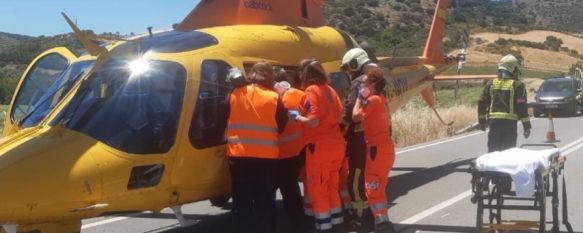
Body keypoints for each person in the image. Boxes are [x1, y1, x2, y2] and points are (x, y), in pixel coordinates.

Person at [225, 61, 288, 233]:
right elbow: (282, 125)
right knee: (265, 202)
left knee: (241, 201)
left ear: (251, 74)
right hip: (266, 159)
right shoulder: (274, 98)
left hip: (238, 156)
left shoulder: (234, 93)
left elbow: (223, 115)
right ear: (271, 77)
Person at [290, 58, 346, 233]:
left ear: (305, 74)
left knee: (318, 190)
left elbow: (312, 121)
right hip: (336, 145)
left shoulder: (311, 91)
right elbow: (340, 116)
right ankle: (337, 224)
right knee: (331, 188)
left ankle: (324, 227)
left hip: (320, 148)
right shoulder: (330, 90)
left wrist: (297, 117)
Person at [352, 67, 396, 233]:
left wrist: (358, 99)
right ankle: (380, 220)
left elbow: (355, 117)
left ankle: (382, 224)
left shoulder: (372, 101)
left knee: (372, 187)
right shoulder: (382, 99)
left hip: (376, 149)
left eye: (364, 84)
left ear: (372, 84)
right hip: (386, 148)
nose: (361, 87)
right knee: (380, 186)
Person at [340, 47, 378, 231]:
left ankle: (361, 218)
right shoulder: (376, 84)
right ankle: (369, 214)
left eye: (348, 68)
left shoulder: (358, 84)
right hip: (372, 138)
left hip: (357, 139)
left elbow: (348, 111)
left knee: (355, 178)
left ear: (354, 64)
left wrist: (338, 123)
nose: (349, 72)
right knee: (367, 176)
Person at [273, 67, 308, 233]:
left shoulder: (275, 99)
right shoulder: (300, 94)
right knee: (292, 188)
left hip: (281, 153)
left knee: (282, 189)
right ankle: (301, 221)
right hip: (300, 149)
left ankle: (293, 224)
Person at [478, 54, 531, 152]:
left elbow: (481, 101)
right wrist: (526, 126)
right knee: (508, 154)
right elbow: (522, 107)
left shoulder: (491, 83)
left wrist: (481, 121)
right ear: (513, 69)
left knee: (493, 153)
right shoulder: (518, 85)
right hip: (509, 125)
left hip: (493, 123)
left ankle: (491, 168)